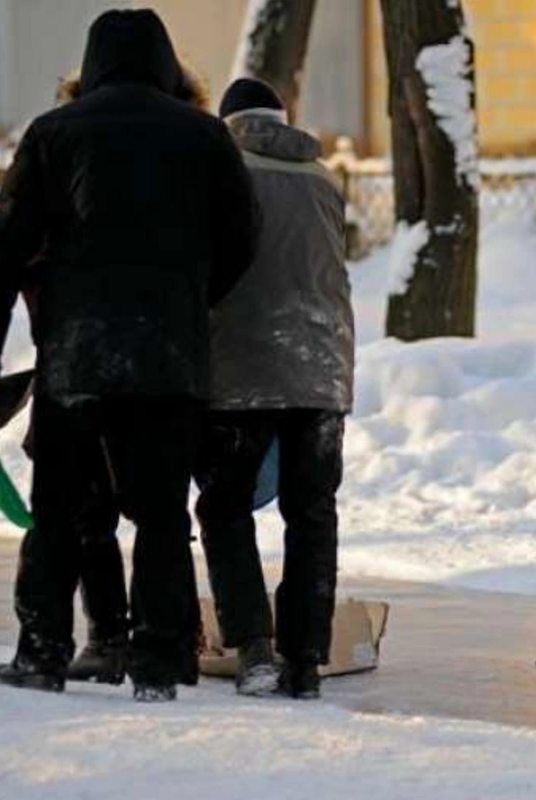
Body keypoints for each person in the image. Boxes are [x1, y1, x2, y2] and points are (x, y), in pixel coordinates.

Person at [0, 9, 254, 702]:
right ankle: (157, 664)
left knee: (58, 509)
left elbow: (5, 243)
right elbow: (241, 240)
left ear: (91, 64)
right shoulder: (205, 135)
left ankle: (42, 652)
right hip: (169, 358)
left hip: (77, 355)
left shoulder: (54, 133)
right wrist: (188, 296)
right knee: (159, 516)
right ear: (166, 64)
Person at [193, 78, 353, 700]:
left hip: (242, 366)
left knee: (224, 507)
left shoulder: (219, 170)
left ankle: (255, 649)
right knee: (312, 514)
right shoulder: (324, 178)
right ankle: (306, 662)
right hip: (323, 368)